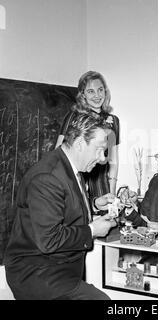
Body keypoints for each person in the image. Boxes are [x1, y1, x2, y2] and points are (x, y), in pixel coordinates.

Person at [4, 113, 117, 300]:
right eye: (99, 150)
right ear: (80, 143)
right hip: (37, 273)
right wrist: (92, 230)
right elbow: (49, 239)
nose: (102, 158)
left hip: (57, 268)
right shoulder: (48, 177)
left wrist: (94, 208)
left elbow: (64, 208)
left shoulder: (72, 167)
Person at [56, 71, 120, 200]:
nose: (97, 95)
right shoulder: (74, 116)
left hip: (101, 183)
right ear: (83, 95)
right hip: (77, 179)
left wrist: (112, 190)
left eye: (100, 90)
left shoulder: (113, 120)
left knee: (104, 217)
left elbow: (113, 160)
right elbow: (59, 151)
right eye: (90, 91)